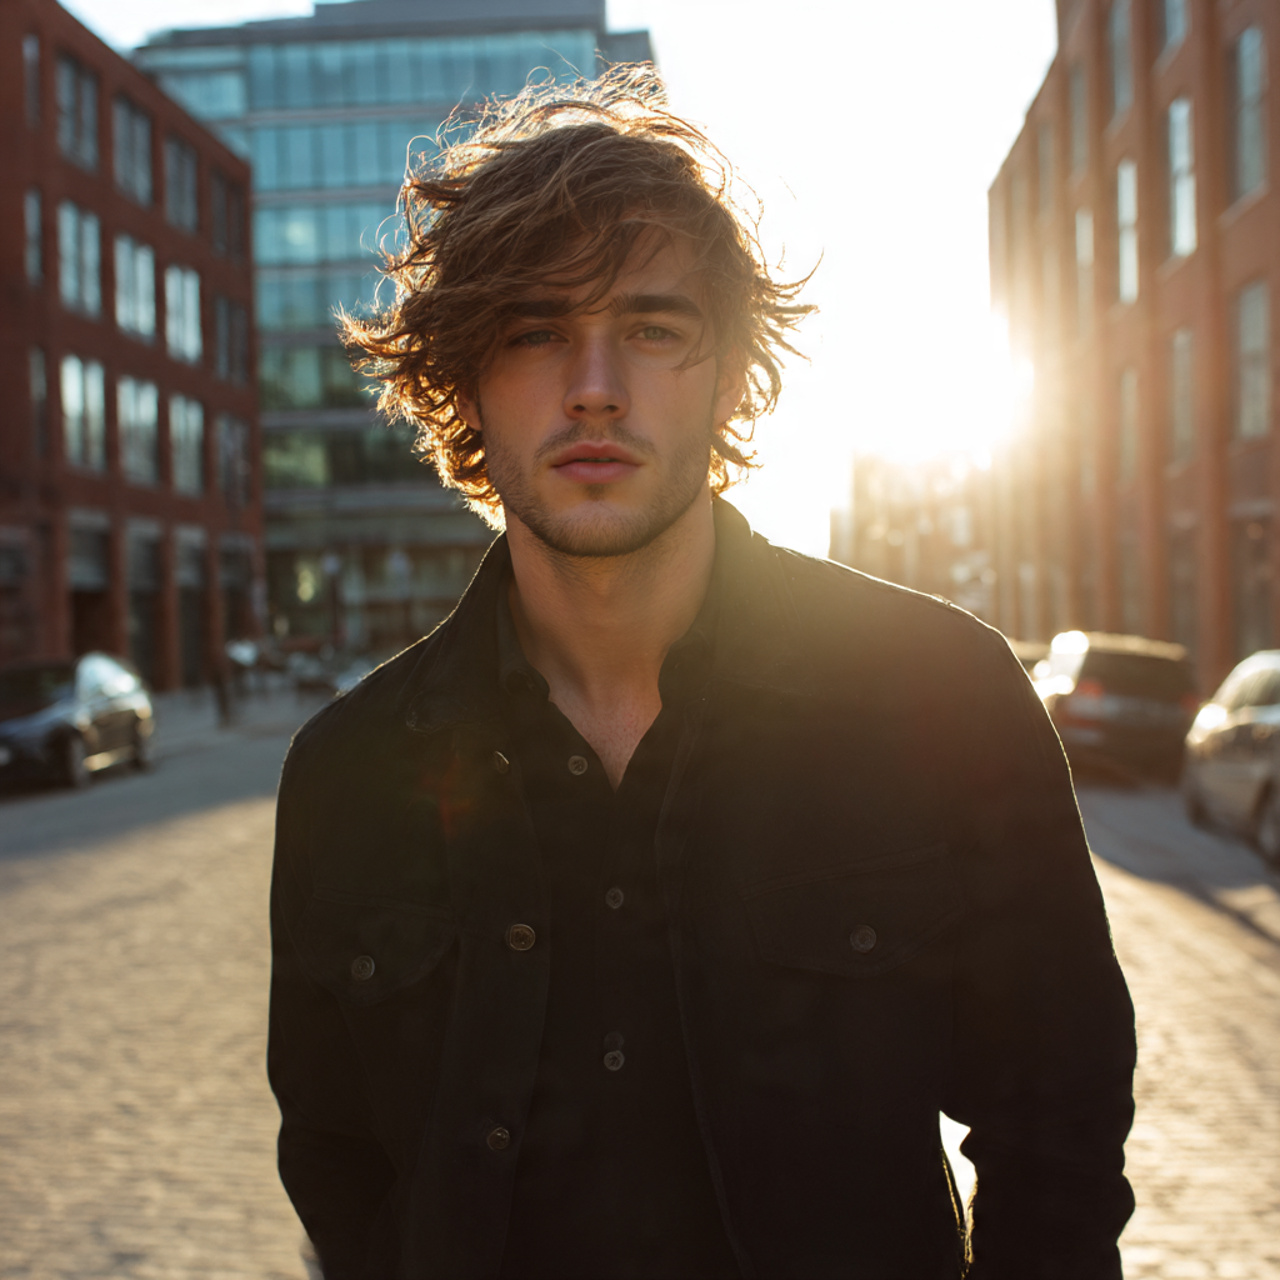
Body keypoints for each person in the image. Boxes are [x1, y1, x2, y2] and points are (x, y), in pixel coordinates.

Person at [267, 68, 1136, 1280]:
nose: (594, 386)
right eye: (532, 331)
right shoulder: (347, 773)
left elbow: (1057, 1130)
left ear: (730, 374)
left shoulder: (942, 698)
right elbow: (338, 1159)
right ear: (464, 380)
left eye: (652, 328)